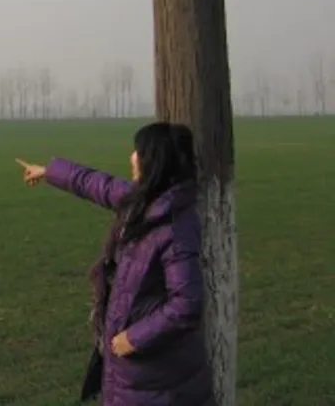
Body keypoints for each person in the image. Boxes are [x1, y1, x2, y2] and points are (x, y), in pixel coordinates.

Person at [17, 122, 215, 406]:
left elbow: (187, 303)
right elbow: (97, 184)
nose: (132, 157)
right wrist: (48, 172)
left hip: (154, 374)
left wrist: (133, 338)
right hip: (134, 371)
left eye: (139, 152)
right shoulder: (142, 202)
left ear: (156, 161)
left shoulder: (175, 227)